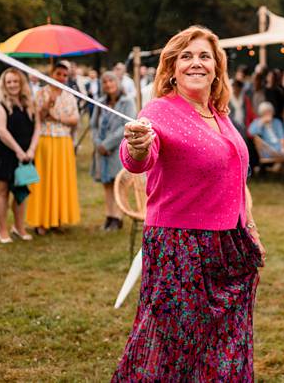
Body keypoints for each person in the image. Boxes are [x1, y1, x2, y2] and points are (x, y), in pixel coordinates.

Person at [114, 26, 262, 381]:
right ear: (172, 68)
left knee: (224, 346)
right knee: (173, 347)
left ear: (216, 68)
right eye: (186, 56)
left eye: (204, 56)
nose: (196, 63)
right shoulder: (160, 110)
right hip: (180, 248)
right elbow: (139, 158)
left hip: (229, 245)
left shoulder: (220, 114)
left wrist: (251, 227)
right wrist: (136, 145)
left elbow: (236, 178)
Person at [25, 62, 80, 234]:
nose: (61, 78)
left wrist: (57, 117)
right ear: (51, 74)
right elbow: (37, 118)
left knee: (60, 180)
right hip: (45, 140)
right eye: (58, 74)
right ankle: (41, 221)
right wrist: (47, 105)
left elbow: (75, 120)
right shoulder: (41, 93)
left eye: (64, 75)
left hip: (63, 141)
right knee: (44, 181)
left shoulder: (69, 95)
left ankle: (57, 219)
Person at [0, 68, 39, 243]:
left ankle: (19, 227)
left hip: (27, 153)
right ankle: (2, 230)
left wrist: (31, 150)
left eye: (16, 81)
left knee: (22, 191)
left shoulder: (29, 102)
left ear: (21, 83)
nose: (12, 85)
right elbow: (1, 131)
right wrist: (18, 151)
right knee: (3, 191)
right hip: (6, 153)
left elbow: (37, 127)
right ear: (3, 84)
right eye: (9, 82)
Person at [92, 71, 137, 231]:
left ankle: (118, 217)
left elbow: (126, 125)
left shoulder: (127, 102)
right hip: (101, 150)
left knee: (118, 184)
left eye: (111, 81)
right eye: (105, 82)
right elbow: (94, 125)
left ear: (117, 83)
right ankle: (109, 215)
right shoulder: (100, 102)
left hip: (117, 149)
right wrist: (98, 143)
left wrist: (108, 144)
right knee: (107, 184)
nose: (108, 85)